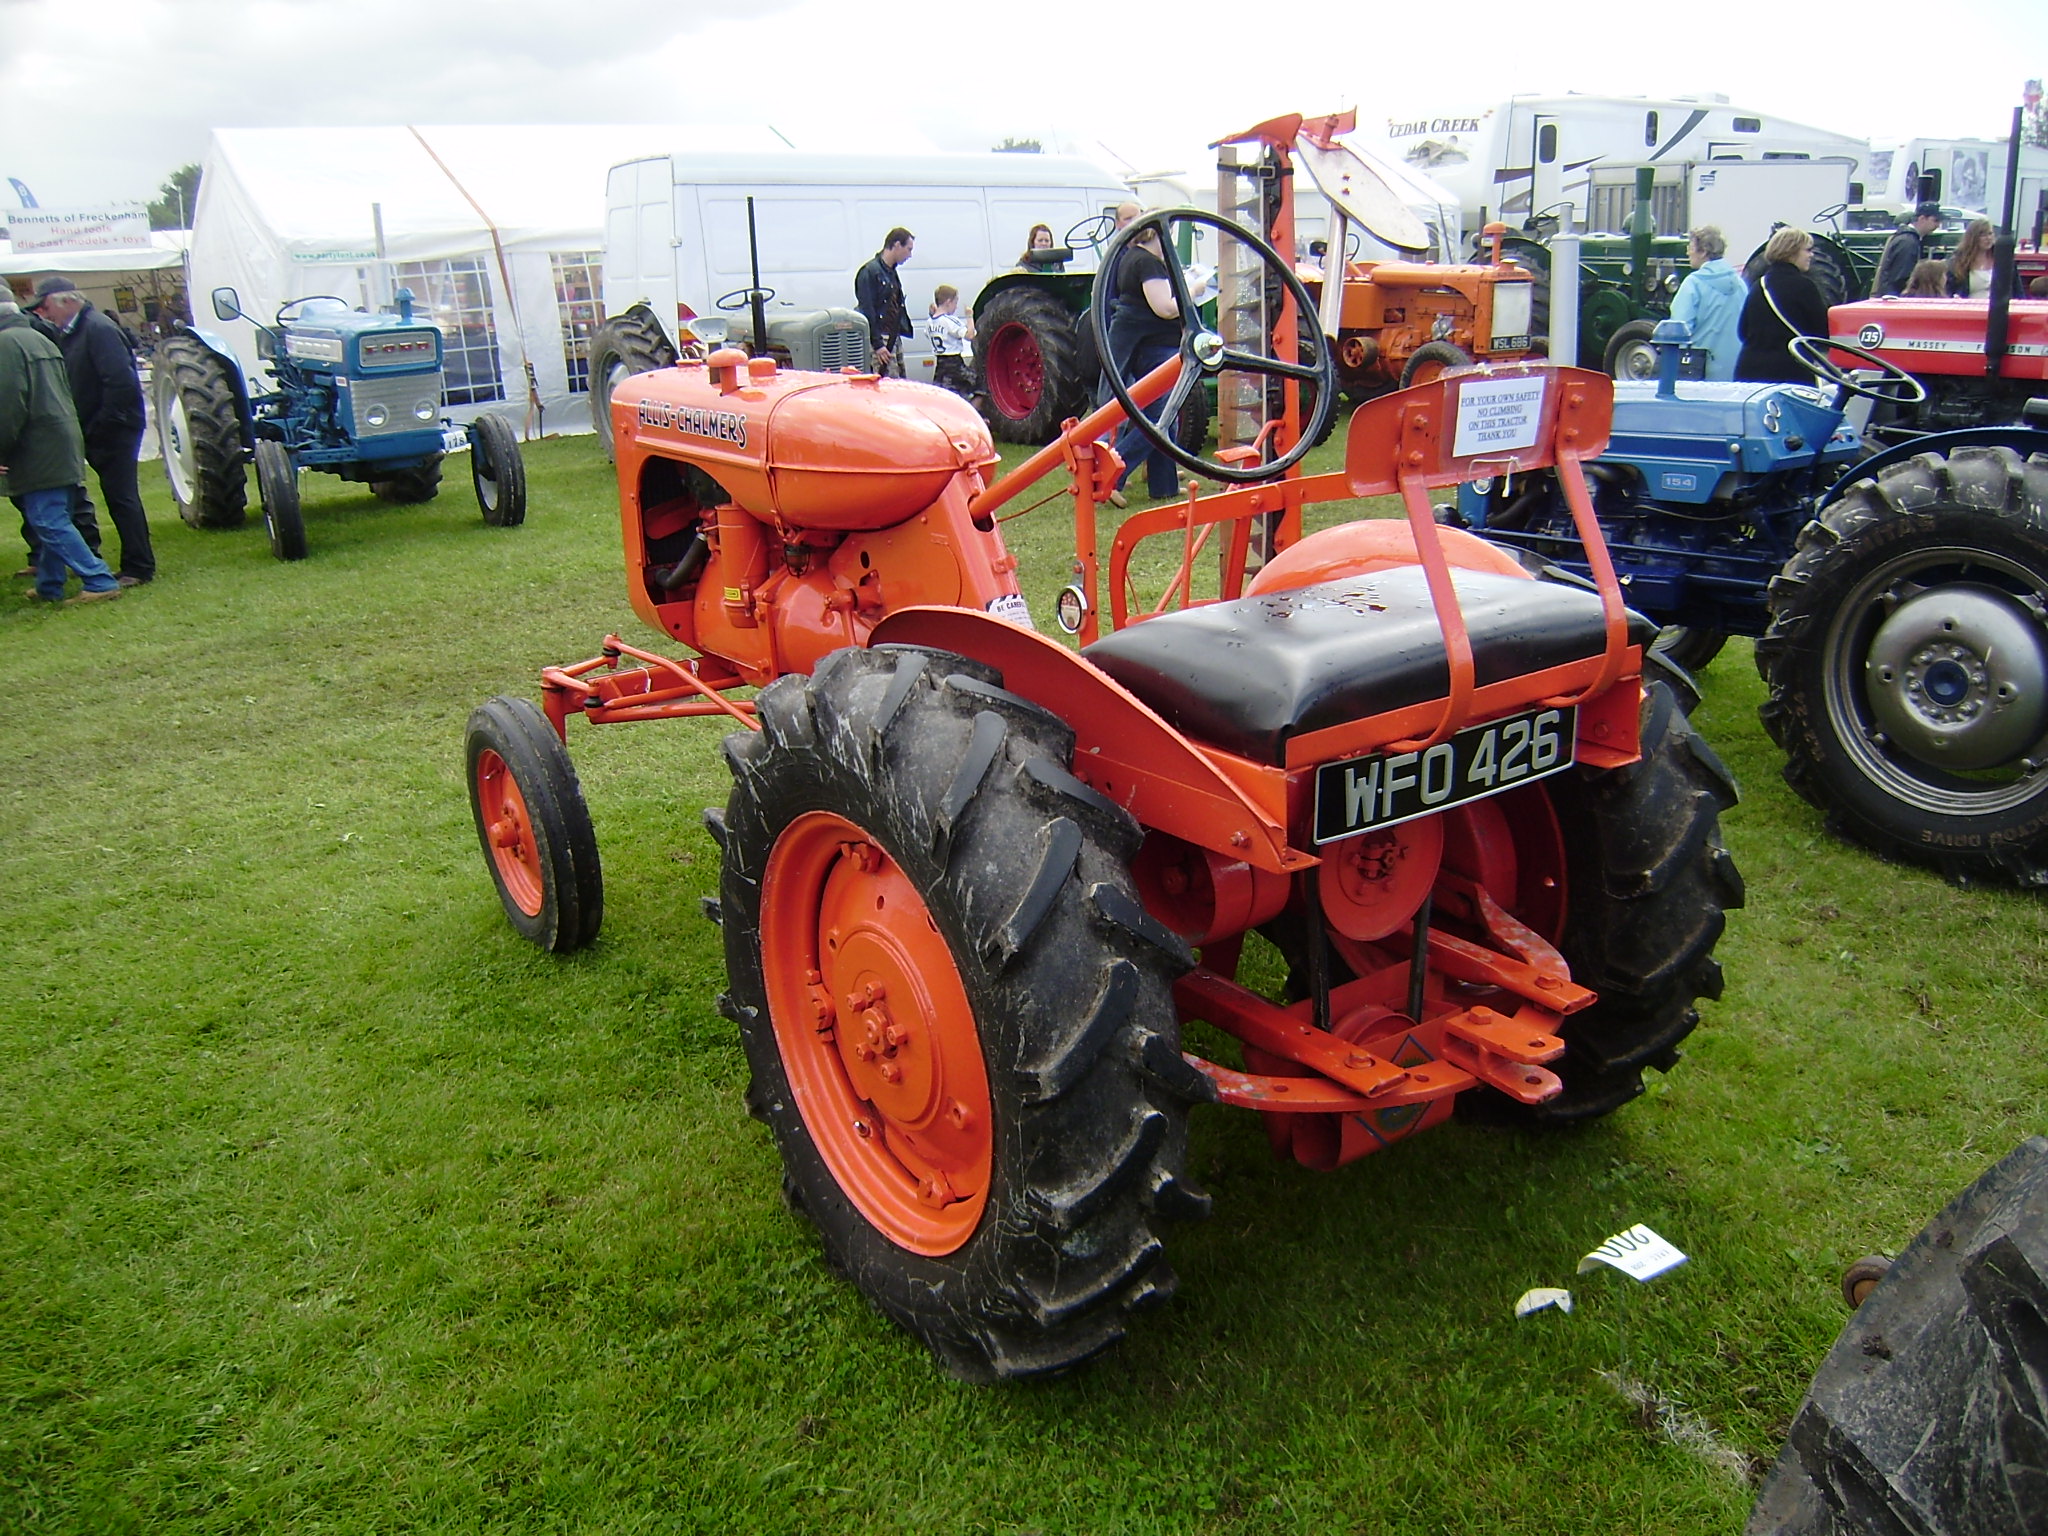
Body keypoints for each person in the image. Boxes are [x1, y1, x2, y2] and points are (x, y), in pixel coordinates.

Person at [28, 276, 153, 587]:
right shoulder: (75, 332)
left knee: (122, 498)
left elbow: (120, 384)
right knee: (116, 498)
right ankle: (121, 565)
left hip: (114, 430)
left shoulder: (97, 329)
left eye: (45, 307)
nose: (43, 314)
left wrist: (99, 427)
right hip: (101, 427)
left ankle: (138, 567)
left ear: (66, 301)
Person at [0, 292, 120, 605]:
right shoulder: (38, 337)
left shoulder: (6, 345)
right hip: (62, 438)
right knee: (53, 515)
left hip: (36, 445)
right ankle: (49, 584)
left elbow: (8, 405)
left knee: (47, 519)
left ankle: (98, 579)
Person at [1106, 221, 1185, 503]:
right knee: (1158, 421)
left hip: (1149, 347)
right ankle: (1111, 475)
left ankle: (1164, 486)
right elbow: (1163, 308)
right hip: (1156, 349)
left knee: (1166, 418)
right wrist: (1195, 292)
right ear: (1156, 234)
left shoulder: (1131, 259)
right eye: (1168, 235)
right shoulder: (1147, 262)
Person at [1735, 226, 1829, 385]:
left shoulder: (1759, 285)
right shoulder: (1804, 287)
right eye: (1807, 250)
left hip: (1750, 370)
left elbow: (1743, 331)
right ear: (1792, 252)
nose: (1811, 255)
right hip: (1790, 371)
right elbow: (1821, 333)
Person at [1667, 225, 1745, 381]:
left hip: (1701, 370)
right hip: (1737, 369)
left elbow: (1678, 330)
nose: (1687, 252)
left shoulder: (1693, 283)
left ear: (1703, 251)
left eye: (1690, 247)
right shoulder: (1740, 284)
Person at [853, 227, 914, 377]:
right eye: (908, 249)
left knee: (900, 383)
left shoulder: (891, 272)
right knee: (887, 386)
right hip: (882, 339)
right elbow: (867, 310)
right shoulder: (869, 272)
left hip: (893, 337)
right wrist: (878, 345)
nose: (910, 255)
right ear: (897, 245)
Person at [1874, 202, 1943, 299]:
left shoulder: (1906, 238)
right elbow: (1901, 277)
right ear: (1922, 218)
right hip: (1895, 299)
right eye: (1935, 220)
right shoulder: (1908, 242)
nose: (1938, 225)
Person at [927, 285, 975, 398]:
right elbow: (970, 335)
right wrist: (969, 317)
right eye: (955, 302)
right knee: (981, 388)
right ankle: (972, 413)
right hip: (955, 364)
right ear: (948, 302)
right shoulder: (950, 321)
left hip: (940, 366)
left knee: (943, 396)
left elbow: (928, 333)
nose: (956, 307)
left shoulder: (930, 322)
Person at [1945, 218, 1995, 298]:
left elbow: (2016, 289)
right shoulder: (1958, 260)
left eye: (1990, 234)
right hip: (1969, 307)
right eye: (1983, 235)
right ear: (1973, 237)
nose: (1988, 238)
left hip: (1998, 308)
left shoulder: (2001, 259)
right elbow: (1949, 290)